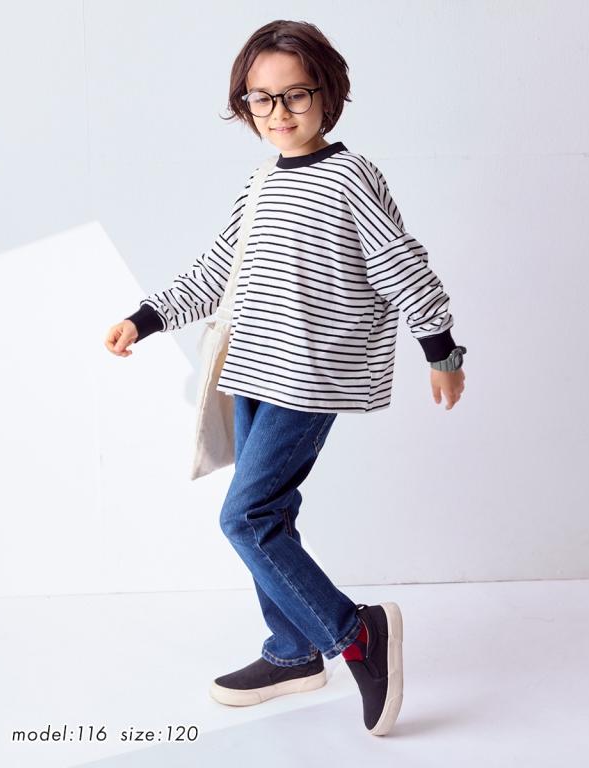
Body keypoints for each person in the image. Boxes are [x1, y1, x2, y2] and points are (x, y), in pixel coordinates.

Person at [104, 19, 466, 737]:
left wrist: (442, 351)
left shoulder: (350, 177)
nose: (278, 112)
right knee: (269, 515)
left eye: (295, 95)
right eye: (261, 99)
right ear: (244, 106)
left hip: (309, 376)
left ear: (328, 94)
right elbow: (217, 271)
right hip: (251, 371)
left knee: (246, 517)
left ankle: (356, 633)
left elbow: (401, 264)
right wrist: (146, 318)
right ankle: (294, 650)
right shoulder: (262, 181)